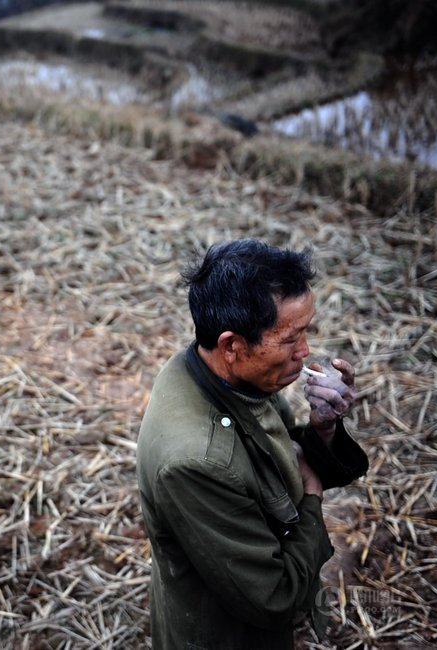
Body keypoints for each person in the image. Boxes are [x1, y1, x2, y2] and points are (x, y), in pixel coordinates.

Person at [136, 239, 369, 649]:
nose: (305, 352)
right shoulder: (196, 461)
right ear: (232, 345)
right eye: (290, 338)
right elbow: (274, 598)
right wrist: (312, 496)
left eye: (306, 332)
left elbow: (273, 457)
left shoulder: (223, 373)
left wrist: (323, 429)